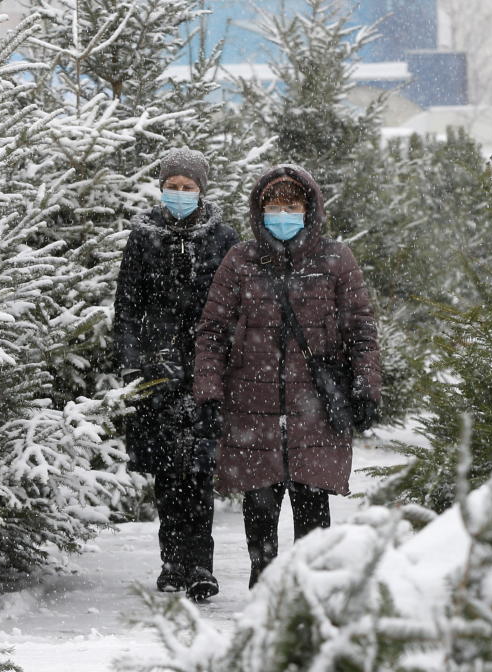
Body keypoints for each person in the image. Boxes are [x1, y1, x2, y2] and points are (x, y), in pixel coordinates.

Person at [191, 164, 381, 589]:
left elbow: (361, 330)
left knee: (313, 512)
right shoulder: (240, 260)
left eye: (291, 205)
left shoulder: (335, 259)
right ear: (259, 211)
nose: (282, 213)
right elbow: (213, 331)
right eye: (273, 205)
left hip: (315, 409)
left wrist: (366, 387)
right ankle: (264, 596)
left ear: (309, 208)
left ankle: (313, 596)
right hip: (251, 409)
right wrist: (208, 392)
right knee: (260, 509)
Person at [112, 148, 239, 600]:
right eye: (173, 187)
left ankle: (201, 564)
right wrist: (134, 359)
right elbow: (126, 306)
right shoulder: (143, 237)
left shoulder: (224, 238)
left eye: (188, 188)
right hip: (156, 367)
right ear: (161, 188)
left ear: (202, 190)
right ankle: (173, 561)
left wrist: (223, 361)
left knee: (201, 466)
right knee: (167, 469)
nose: (179, 194)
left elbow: (234, 307)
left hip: (206, 367)